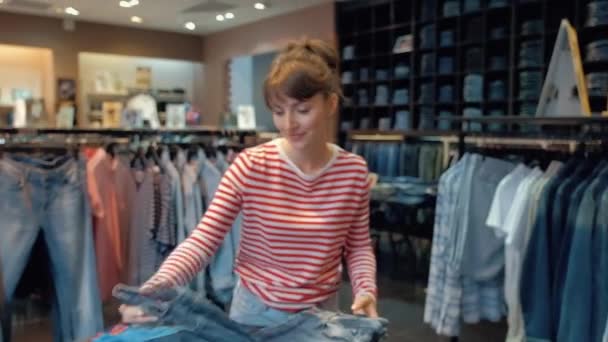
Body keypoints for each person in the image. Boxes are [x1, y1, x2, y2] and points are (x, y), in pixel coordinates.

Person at [120, 38, 378, 327]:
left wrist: (365, 289)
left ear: (331, 103)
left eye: (302, 110)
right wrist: (158, 288)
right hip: (255, 311)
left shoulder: (352, 171)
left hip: (321, 316)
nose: (288, 124)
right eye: (279, 111)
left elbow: (357, 246)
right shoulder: (252, 165)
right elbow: (204, 239)